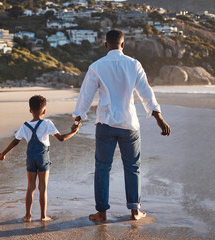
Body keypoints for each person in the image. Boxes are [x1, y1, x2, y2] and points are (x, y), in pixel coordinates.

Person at [71, 30, 171, 222]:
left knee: (102, 169)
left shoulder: (97, 66)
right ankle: (135, 211)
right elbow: (146, 93)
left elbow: (86, 96)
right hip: (129, 124)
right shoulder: (134, 64)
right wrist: (158, 117)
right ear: (123, 45)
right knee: (133, 168)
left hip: (105, 124)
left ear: (106, 44)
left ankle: (101, 213)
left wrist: (78, 119)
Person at [0, 95, 80, 222]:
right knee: (43, 187)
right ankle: (43, 216)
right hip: (43, 158)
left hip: (30, 158)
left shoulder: (25, 125)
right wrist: (74, 132)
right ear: (44, 111)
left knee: (30, 187)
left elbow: (15, 142)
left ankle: (28, 215)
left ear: (30, 110)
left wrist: (3, 153)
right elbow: (61, 138)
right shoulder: (47, 123)